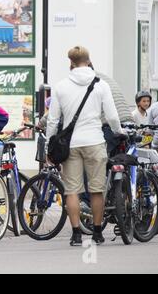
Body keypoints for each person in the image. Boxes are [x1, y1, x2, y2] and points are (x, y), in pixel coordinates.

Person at [46, 46, 123, 247]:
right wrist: (119, 131)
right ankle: (97, 232)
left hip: (70, 145)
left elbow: (53, 121)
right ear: (88, 61)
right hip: (95, 141)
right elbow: (113, 117)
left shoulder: (61, 86)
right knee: (97, 190)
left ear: (70, 62)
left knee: (72, 191)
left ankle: (76, 234)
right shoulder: (101, 85)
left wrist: (49, 145)